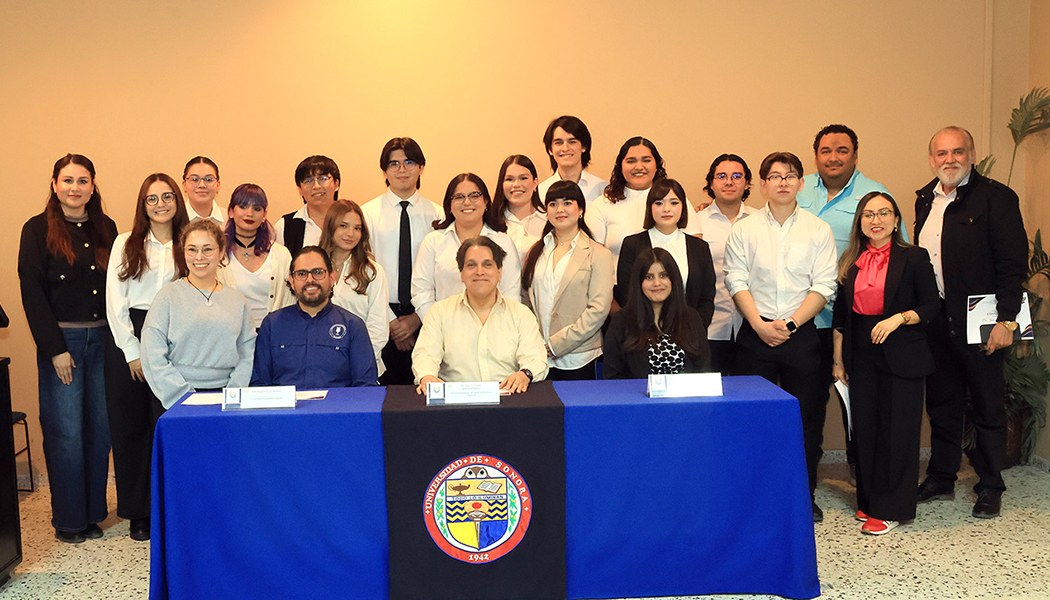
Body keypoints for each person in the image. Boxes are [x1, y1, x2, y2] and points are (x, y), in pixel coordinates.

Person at [914, 126, 1028, 519]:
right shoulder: (923, 200)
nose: (950, 159)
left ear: (972, 154)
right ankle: (942, 476)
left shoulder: (996, 198)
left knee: (987, 406)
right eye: (941, 153)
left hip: (982, 320)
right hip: (936, 322)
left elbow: (1013, 266)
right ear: (932, 159)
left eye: (957, 152)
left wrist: (1007, 321)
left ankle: (990, 485)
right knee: (943, 405)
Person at [724, 151, 838, 522]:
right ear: (762, 184)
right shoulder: (744, 228)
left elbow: (825, 284)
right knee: (750, 420)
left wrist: (789, 324)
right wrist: (758, 324)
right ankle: (751, 497)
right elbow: (735, 279)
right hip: (754, 333)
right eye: (774, 176)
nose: (783, 182)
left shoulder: (817, 229)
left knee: (805, 421)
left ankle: (803, 496)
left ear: (801, 184)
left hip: (802, 334)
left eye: (790, 176)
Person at [18, 153, 117, 544]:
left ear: (93, 186)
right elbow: (32, 293)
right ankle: (69, 521)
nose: (75, 188)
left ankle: (93, 514)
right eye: (68, 180)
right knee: (66, 433)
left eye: (82, 181)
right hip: (65, 345)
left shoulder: (106, 227)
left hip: (104, 341)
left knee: (99, 430)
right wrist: (55, 348)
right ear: (55, 184)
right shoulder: (37, 229)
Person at [831, 192, 940, 535]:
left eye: (883, 213)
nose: (875, 220)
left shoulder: (914, 257)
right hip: (861, 354)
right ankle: (870, 499)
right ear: (860, 223)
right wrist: (838, 360)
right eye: (868, 215)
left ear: (896, 220)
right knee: (865, 430)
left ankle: (893, 508)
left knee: (898, 433)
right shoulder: (851, 260)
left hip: (902, 352)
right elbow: (841, 319)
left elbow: (931, 305)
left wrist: (898, 319)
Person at [796, 124, 894, 482]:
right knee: (810, 405)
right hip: (804, 320)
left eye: (841, 150)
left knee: (858, 401)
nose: (833, 157)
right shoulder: (799, 188)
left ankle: (862, 472)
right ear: (816, 155)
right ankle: (807, 476)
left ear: (855, 154)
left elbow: (895, 255)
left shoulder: (874, 195)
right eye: (825, 150)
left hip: (855, 320)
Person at [104, 173, 189, 541]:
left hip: (176, 334)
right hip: (130, 337)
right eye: (152, 198)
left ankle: (170, 509)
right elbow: (114, 301)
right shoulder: (126, 242)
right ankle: (139, 512)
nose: (160, 204)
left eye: (167, 196)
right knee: (131, 427)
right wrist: (132, 351)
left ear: (177, 200)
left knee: (167, 424)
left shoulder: (190, 242)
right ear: (143, 205)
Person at [140, 219, 256, 409]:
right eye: (192, 249)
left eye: (208, 249)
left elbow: (247, 352)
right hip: (177, 399)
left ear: (220, 252)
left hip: (226, 399)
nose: (199, 257)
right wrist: (182, 397)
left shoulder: (237, 301)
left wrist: (234, 393)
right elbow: (152, 355)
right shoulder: (167, 297)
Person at [413, 236, 548, 393]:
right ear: (462, 274)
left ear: (499, 272)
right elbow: (425, 354)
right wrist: (427, 376)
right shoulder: (439, 312)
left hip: (508, 400)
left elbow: (536, 358)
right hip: (455, 402)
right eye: (471, 265)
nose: (479, 272)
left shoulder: (521, 314)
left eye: (487, 265)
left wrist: (525, 374)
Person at [360, 137, 443, 385]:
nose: (402, 169)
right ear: (384, 171)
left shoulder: (438, 214)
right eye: (394, 163)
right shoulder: (367, 214)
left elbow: (441, 273)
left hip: (427, 315)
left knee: (426, 394)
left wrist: (417, 318)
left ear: (421, 167)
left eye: (409, 162)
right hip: (379, 315)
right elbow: (362, 269)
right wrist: (391, 321)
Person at [521, 181, 614, 380]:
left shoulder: (599, 254)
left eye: (567, 203)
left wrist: (556, 344)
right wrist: (534, 342)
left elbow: (598, 310)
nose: (559, 209)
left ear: (580, 209)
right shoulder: (536, 251)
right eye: (553, 204)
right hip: (537, 357)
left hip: (579, 358)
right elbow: (525, 298)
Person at [251, 246, 378, 388]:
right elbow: (260, 384)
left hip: (336, 408)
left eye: (318, 272)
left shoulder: (353, 326)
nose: (310, 280)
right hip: (285, 409)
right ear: (291, 281)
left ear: (332, 278)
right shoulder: (272, 325)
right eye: (302, 273)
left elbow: (366, 385)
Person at [411, 173, 521, 321]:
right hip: (444, 331)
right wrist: (439, 326)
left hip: (494, 331)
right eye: (459, 197)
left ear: (486, 201)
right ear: (449, 205)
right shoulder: (433, 242)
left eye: (474, 195)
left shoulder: (503, 242)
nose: (467, 202)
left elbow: (511, 294)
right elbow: (421, 292)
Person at [616, 178, 715, 329]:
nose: (666, 209)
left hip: (689, 333)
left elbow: (706, 297)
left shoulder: (699, 247)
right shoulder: (633, 244)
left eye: (674, 203)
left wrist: (696, 329)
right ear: (650, 207)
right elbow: (626, 294)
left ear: (683, 207)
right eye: (659, 203)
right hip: (643, 333)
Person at [603, 248, 709, 378]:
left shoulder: (691, 318)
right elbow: (612, 375)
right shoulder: (622, 321)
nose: (657, 283)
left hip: (685, 397)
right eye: (649, 277)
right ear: (639, 283)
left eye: (663, 275)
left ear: (673, 279)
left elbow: (703, 369)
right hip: (636, 397)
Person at [696, 154, 755, 374]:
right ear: (711, 183)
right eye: (721, 176)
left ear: (747, 183)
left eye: (737, 176)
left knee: (748, 399)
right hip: (709, 328)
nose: (729, 182)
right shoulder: (695, 223)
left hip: (753, 327)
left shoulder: (760, 221)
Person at [319, 199, 390, 374]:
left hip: (360, 367)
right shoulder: (311, 265)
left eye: (357, 228)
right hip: (317, 364)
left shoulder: (372, 272)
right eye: (343, 226)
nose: (351, 233)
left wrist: (357, 363)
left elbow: (378, 329)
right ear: (330, 227)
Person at [585, 137, 667, 275]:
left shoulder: (674, 201)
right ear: (620, 166)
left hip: (667, 289)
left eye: (646, 160)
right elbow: (591, 259)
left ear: (657, 165)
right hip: (616, 292)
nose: (639, 166)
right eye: (631, 161)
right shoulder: (602, 205)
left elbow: (692, 251)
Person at [218, 183, 294, 329]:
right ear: (231, 212)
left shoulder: (281, 254)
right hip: (232, 337)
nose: (250, 213)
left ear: (264, 215)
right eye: (243, 206)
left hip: (274, 336)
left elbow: (290, 300)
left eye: (257, 208)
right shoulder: (218, 256)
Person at [275, 155, 340, 255]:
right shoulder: (285, 227)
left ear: (336, 184)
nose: (316, 186)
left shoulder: (354, 220)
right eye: (308, 181)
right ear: (300, 189)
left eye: (323, 178)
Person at [537, 115, 609, 205]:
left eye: (572, 142)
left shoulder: (602, 190)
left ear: (583, 146)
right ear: (550, 149)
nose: (565, 148)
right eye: (558, 143)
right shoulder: (540, 193)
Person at [490, 154, 546, 255]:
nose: (516, 185)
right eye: (509, 179)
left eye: (523, 178)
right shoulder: (490, 223)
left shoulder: (548, 221)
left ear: (535, 182)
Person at [181, 156, 224, 224]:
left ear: (218, 185)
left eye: (209, 179)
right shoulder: (175, 219)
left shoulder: (229, 220)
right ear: (184, 185)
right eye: (195, 179)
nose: (202, 185)